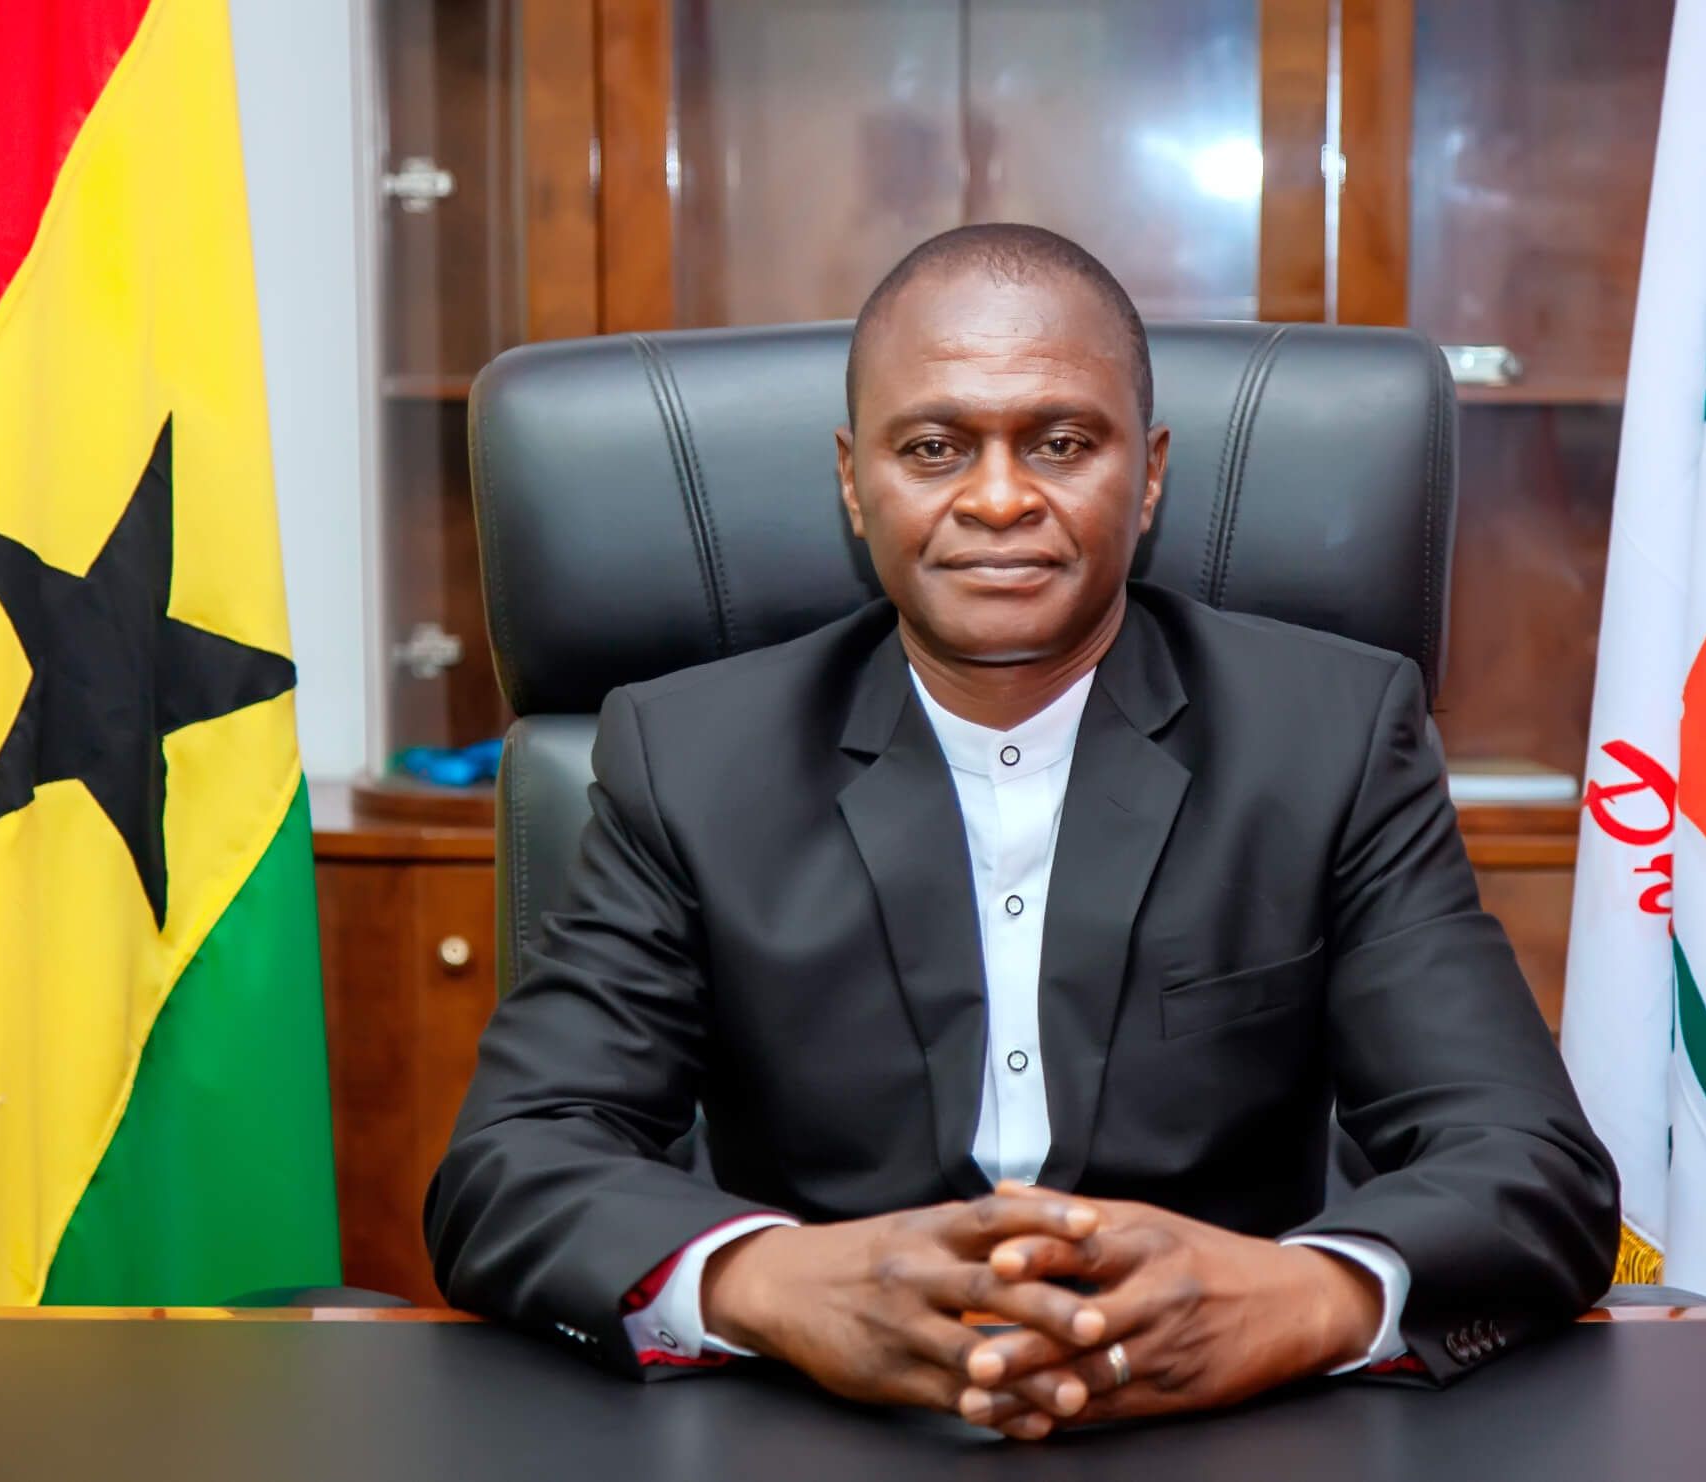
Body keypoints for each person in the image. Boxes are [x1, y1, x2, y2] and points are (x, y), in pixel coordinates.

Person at [425, 223, 1620, 1440]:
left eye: (1060, 443)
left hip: (1224, 1430)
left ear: (1148, 475)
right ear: (852, 481)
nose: (998, 500)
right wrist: (770, 1284)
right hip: (814, 1425)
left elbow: (1526, 1162)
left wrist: (1308, 1298)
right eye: (932, 448)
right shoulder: (690, 757)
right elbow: (514, 1162)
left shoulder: (1327, 739)